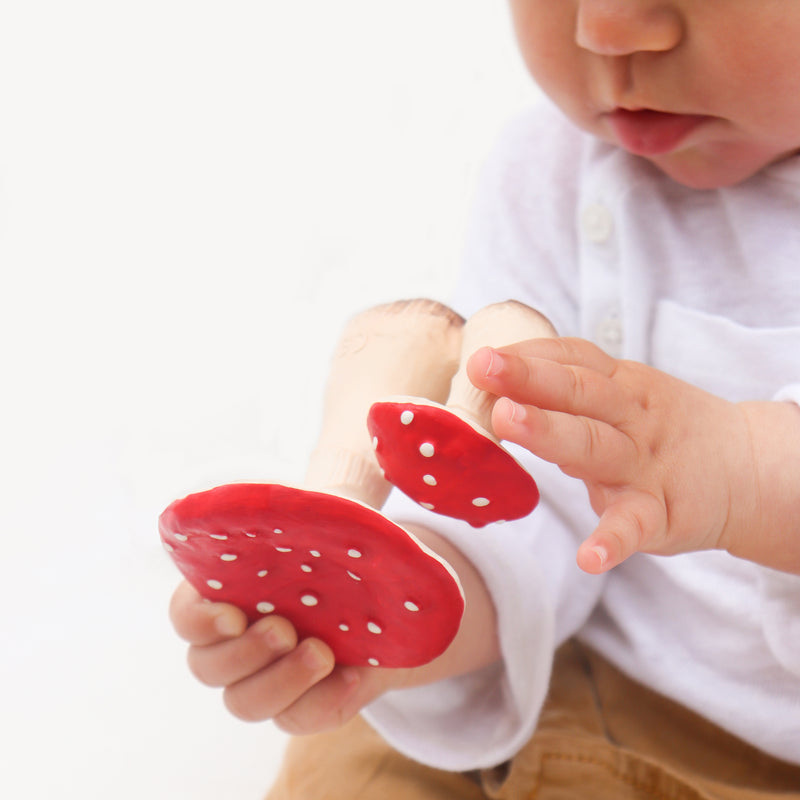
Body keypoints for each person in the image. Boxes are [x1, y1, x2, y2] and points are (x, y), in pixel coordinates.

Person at [168, 1, 800, 797]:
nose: (604, 30)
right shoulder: (559, 169)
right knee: (359, 768)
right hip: (582, 690)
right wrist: (400, 607)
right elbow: (528, 502)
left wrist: (745, 469)